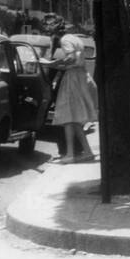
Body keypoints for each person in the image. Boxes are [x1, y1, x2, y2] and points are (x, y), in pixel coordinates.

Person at [44, 16, 98, 164]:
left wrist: (52, 63)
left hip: (72, 78)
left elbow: (71, 58)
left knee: (68, 117)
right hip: (80, 75)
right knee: (74, 119)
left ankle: (70, 154)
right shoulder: (74, 38)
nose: (47, 29)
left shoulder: (64, 40)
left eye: (49, 26)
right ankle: (87, 151)